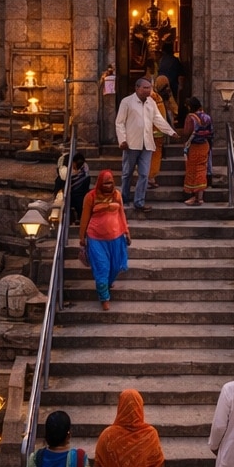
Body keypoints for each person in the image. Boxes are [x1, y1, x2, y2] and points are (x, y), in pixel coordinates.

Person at [115, 77, 178, 211]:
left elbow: (158, 119)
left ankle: (139, 202)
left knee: (144, 174)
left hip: (147, 144)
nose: (148, 90)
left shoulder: (151, 102)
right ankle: (125, 197)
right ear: (137, 88)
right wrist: (122, 140)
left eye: (149, 88)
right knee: (127, 173)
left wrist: (170, 132)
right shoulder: (127, 102)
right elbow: (119, 123)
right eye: (145, 88)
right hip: (131, 144)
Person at [79, 169, 130, 311]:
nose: (109, 185)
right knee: (102, 268)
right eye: (106, 183)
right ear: (100, 183)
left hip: (116, 237)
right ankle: (104, 298)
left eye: (111, 182)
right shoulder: (91, 197)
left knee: (115, 267)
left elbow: (121, 214)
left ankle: (107, 284)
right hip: (96, 238)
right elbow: (84, 218)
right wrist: (81, 237)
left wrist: (127, 231)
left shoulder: (117, 195)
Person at [179, 96, 213, 206]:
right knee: (202, 169)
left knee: (192, 170)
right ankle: (200, 198)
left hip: (194, 146)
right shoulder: (207, 117)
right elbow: (211, 132)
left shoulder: (190, 118)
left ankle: (194, 197)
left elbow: (186, 132)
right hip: (205, 145)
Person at [148, 79, 172, 190]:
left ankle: (147, 177)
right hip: (158, 132)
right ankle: (151, 178)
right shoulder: (158, 98)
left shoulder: (144, 99)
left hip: (147, 133)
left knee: (146, 156)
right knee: (155, 156)